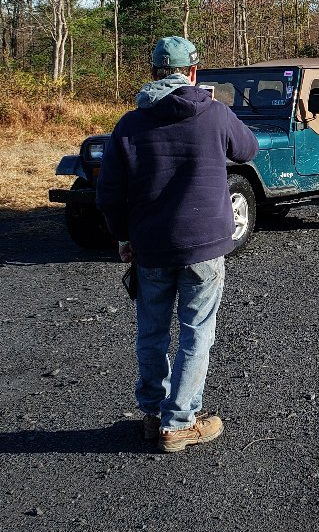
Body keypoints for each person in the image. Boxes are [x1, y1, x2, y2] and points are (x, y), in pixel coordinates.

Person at [96, 36, 259, 453]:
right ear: (192, 73)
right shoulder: (215, 114)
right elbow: (248, 148)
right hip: (204, 247)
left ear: (152, 73)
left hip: (150, 247)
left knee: (151, 331)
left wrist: (123, 237)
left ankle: (154, 414)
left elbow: (109, 193)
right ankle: (180, 421)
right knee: (195, 332)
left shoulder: (130, 125)